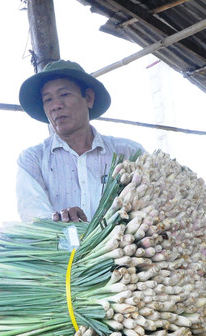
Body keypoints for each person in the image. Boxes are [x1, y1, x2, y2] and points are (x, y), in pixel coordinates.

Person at [16, 60, 145, 223]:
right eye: (47, 100)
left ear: (89, 98)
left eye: (64, 95)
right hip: (64, 249)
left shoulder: (129, 153)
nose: (55, 106)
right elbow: (33, 216)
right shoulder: (33, 159)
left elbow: (147, 204)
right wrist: (62, 223)